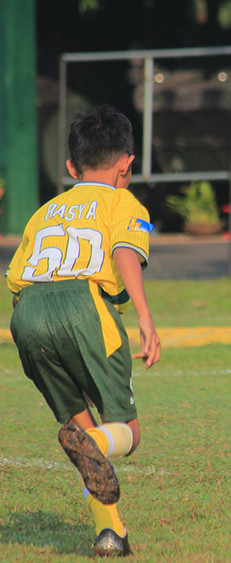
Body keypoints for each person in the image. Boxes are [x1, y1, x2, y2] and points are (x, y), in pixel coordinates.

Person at [5, 105, 162, 557]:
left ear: (71, 167)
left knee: (79, 428)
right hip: (85, 305)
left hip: (28, 312)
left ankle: (110, 533)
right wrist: (145, 318)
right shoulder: (124, 201)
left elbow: (17, 281)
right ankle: (92, 443)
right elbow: (125, 252)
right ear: (126, 165)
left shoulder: (44, 211)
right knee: (124, 432)